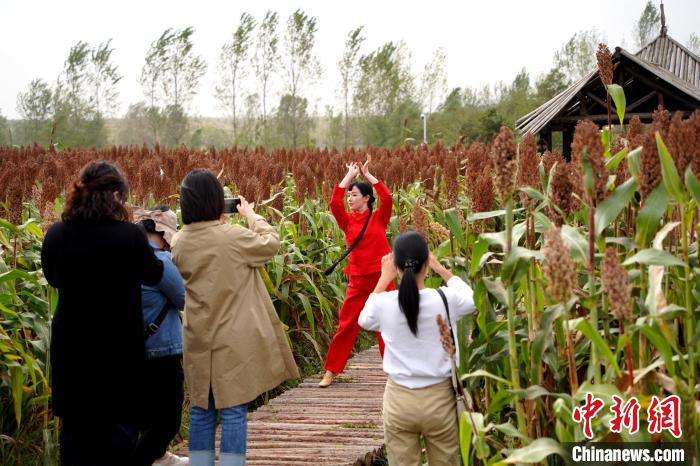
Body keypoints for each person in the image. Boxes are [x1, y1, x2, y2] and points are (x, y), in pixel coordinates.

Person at [171, 169, 299, 466]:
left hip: (197, 336)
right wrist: (251, 215)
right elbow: (271, 243)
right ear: (216, 201)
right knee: (233, 410)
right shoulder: (233, 237)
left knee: (202, 409)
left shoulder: (179, 241)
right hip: (232, 337)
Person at [41, 161, 164, 466]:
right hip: (118, 356)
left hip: (72, 355)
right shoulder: (129, 237)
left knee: (76, 437)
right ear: (116, 196)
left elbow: (52, 278)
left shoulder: (56, 235)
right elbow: (154, 274)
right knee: (119, 438)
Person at [358, 231, 476, 466]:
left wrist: (384, 277)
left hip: (399, 402)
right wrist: (441, 268)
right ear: (426, 264)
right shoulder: (444, 299)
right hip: (440, 400)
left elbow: (364, 319)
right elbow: (472, 299)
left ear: (396, 267)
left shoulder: (384, 304)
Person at [319, 154, 394, 388]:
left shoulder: (379, 217)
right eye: (349, 195)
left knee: (387, 324)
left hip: (382, 277)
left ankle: (394, 371)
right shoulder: (347, 221)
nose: (349, 199)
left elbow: (387, 197)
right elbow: (333, 203)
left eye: (354, 195)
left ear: (367, 198)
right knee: (347, 325)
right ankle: (331, 371)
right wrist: (349, 176)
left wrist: (368, 175)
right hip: (358, 280)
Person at [132, 206, 188, 466]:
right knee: (168, 419)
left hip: (133, 349)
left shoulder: (123, 257)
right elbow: (183, 298)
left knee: (142, 417)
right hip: (162, 349)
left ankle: (159, 457)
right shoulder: (161, 262)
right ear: (163, 234)